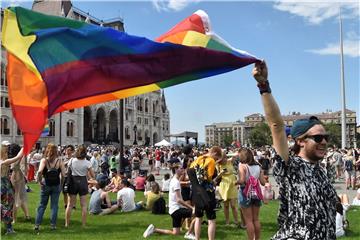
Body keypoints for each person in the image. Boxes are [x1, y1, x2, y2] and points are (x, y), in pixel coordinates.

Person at [252, 61, 338, 239]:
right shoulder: (291, 166)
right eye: (317, 138)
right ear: (300, 141)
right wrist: (263, 85)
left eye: (326, 138)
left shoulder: (320, 171)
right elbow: (276, 125)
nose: (324, 142)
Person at [143, 165, 195, 239]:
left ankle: (154, 229)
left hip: (173, 210)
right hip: (176, 210)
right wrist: (191, 207)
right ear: (176, 170)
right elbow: (179, 200)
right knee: (197, 214)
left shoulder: (174, 180)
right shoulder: (176, 182)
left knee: (175, 233)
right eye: (181, 168)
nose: (183, 169)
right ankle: (189, 233)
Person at [188, 146, 222, 240]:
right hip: (207, 194)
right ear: (214, 153)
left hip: (196, 193)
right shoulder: (210, 161)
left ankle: (197, 238)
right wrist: (215, 180)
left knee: (198, 218)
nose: (215, 160)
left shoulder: (197, 160)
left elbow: (191, 174)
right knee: (211, 220)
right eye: (216, 158)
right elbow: (209, 178)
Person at [34, 143, 66, 233]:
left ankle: (37, 225)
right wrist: (62, 184)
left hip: (46, 184)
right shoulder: (59, 161)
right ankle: (53, 225)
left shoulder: (44, 160)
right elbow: (64, 174)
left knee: (42, 205)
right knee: (54, 206)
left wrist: (40, 181)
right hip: (56, 185)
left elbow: (40, 171)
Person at [238, 148, 265, 240]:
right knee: (256, 219)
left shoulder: (242, 166)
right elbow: (263, 182)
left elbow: (241, 180)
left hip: (245, 192)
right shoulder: (258, 166)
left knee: (248, 221)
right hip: (256, 193)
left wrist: (236, 182)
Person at [65, 145, 95, 228]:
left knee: (70, 204)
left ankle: (67, 224)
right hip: (82, 181)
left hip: (73, 181)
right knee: (84, 205)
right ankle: (83, 224)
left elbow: (67, 171)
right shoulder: (87, 162)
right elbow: (93, 175)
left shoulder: (72, 160)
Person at [0, 143, 24, 234]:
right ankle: (9, 229)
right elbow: (18, 157)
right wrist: (24, 146)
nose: (8, 153)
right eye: (6, 152)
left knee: (6, 206)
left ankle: (8, 227)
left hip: (5, 185)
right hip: (4, 186)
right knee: (6, 206)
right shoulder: (4, 162)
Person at [216, 151, 240, 227]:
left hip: (232, 183)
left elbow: (236, 155)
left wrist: (230, 153)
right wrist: (221, 173)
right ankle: (227, 222)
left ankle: (236, 222)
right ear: (221, 159)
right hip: (224, 183)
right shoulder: (218, 165)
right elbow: (217, 177)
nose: (226, 159)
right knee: (226, 205)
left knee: (233, 205)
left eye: (226, 157)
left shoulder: (229, 161)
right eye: (224, 158)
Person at [11, 149, 30, 223]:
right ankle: (26, 215)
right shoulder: (20, 158)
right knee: (20, 197)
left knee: (17, 198)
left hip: (16, 177)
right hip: (19, 177)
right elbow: (25, 169)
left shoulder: (15, 158)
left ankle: (15, 219)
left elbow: (14, 167)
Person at [62, 145, 74, 209]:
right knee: (64, 191)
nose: (67, 151)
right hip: (65, 176)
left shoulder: (74, 159)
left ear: (72, 151)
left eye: (69, 150)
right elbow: (61, 165)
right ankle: (65, 204)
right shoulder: (63, 158)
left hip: (72, 176)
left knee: (72, 191)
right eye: (67, 150)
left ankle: (72, 204)